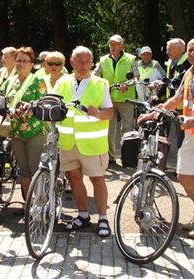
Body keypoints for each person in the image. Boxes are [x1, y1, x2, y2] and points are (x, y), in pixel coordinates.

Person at [140, 37, 194, 239]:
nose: (193, 53)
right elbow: (177, 99)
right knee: (184, 177)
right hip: (191, 133)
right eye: (190, 50)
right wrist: (155, 113)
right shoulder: (190, 72)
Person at [55, 46, 114, 237]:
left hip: (92, 144)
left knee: (97, 179)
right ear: (72, 62)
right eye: (79, 61)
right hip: (68, 142)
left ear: (92, 63)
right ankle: (83, 214)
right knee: (74, 179)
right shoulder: (62, 82)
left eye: (87, 61)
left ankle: (103, 217)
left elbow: (110, 112)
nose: (83, 65)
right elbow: (53, 104)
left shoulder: (100, 83)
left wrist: (98, 113)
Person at [2, 46, 48, 206]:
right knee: (24, 171)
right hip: (15, 132)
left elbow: (42, 103)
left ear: (32, 63)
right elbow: (3, 101)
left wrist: (27, 111)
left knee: (36, 170)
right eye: (18, 60)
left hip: (35, 132)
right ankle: (29, 205)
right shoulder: (9, 81)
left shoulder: (37, 81)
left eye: (24, 61)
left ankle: (41, 206)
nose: (20, 64)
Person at [93, 34, 139, 164]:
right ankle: (111, 157)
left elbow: (136, 77)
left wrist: (128, 84)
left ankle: (127, 157)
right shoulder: (103, 60)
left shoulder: (131, 59)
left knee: (127, 129)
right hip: (108, 99)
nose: (112, 47)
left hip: (126, 99)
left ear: (122, 46)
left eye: (115, 45)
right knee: (109, 129)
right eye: (110, 45)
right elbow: (94, 76)